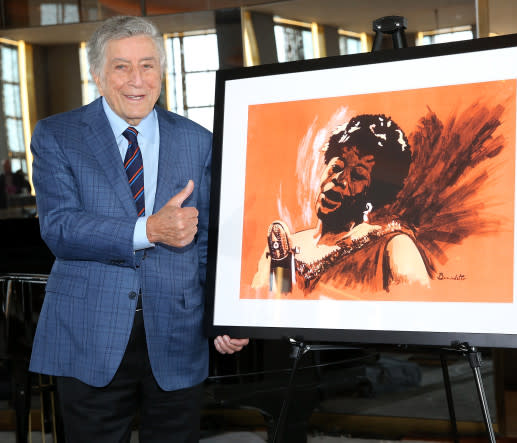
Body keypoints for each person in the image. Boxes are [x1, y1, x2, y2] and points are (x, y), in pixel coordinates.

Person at [28, 16, 248, 442]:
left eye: (147, 65)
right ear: (96, 74)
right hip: (89, 333)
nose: (137, 80)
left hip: (178, 333)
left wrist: (224, 315)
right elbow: (59, 227)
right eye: (121, 66)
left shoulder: (198, 140)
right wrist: (149, 229)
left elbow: (209, 243)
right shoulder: (58, 135)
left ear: (161, 72)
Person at [252, 113, 430, 295]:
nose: (339, 179)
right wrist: (280, 265)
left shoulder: (393, 247)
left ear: (374, 195)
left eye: (357, 176)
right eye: (336, 167)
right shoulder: (284, 247)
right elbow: (270, 306)